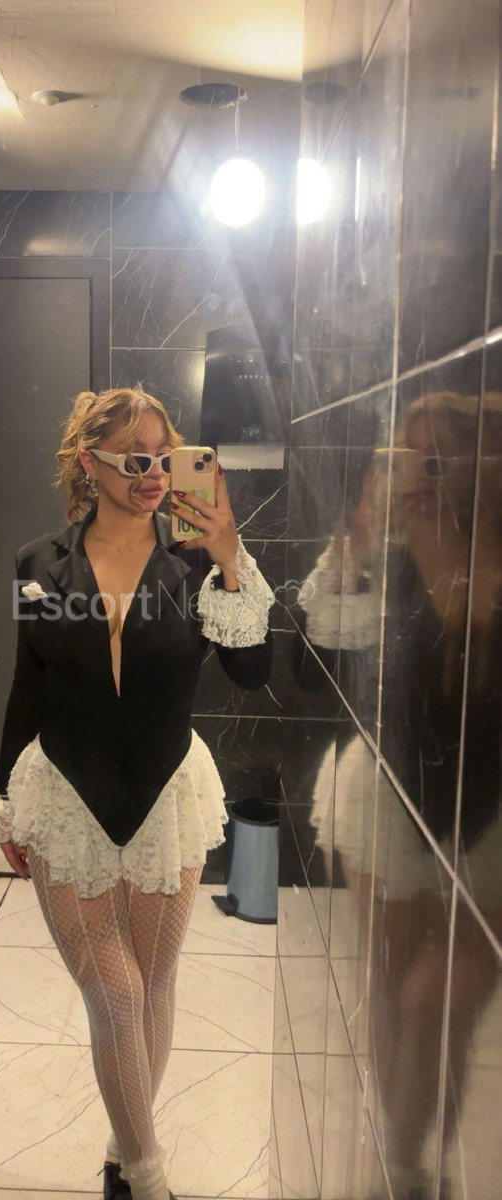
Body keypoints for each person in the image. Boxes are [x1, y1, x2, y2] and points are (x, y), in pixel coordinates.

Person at [0, 386, 276, 1200]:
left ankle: (121, 1142)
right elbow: (29, 685)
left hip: (166, 790)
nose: (152, 476)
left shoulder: (194, 564)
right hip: (62, 792)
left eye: (164, 459)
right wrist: (2, 800)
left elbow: (252, 673)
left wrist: (228, 556)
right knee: (113, 989)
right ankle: (145, 1177)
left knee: (153, 983)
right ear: (90, 463)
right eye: (135, 460)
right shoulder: (37, 564)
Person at [298, 388, 502, 1200]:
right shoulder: (387, 549)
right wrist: (351, 542)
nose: (414, 475)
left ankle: (417, 1150)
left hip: (489, 814)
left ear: (481, 466)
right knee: (391, 989)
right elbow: (317, 650)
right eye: (404, 456)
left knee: (438, 1000)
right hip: (389, 792)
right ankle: (404, 1160)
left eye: (433, 460)